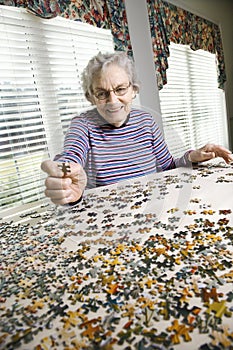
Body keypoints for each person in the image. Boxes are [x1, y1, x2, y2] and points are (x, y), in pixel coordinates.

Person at [41, 51, 233, 206]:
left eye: (120, 89)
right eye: (101, 93)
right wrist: (64, 171)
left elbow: (168, 166)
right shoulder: (83, 125)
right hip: (108, 222)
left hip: (155, 209)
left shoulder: (146, 121)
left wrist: (192, 156)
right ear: (91, 97)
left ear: (134, 90)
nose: (113, 101)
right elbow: (69, 158)